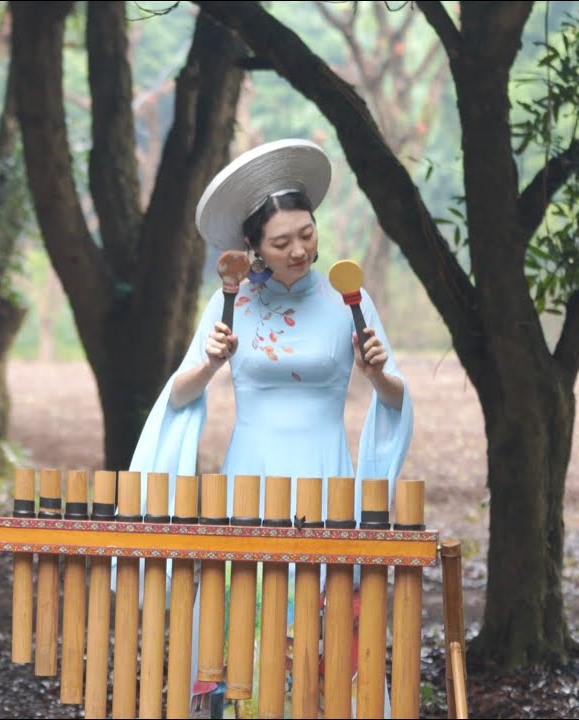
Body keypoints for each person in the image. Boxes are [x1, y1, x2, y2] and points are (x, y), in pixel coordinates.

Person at [128, 139, 413, 715]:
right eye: (281, 242)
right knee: (240, 628)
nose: (300, 250)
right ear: (253, 247)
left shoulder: (347, 298)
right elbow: (179, 393)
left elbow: (396, 395)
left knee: (323, 629)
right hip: (248, 481)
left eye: (306, 234)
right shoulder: (233, 300)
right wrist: (208, 363)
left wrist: (380, 372)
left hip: (325, 477)